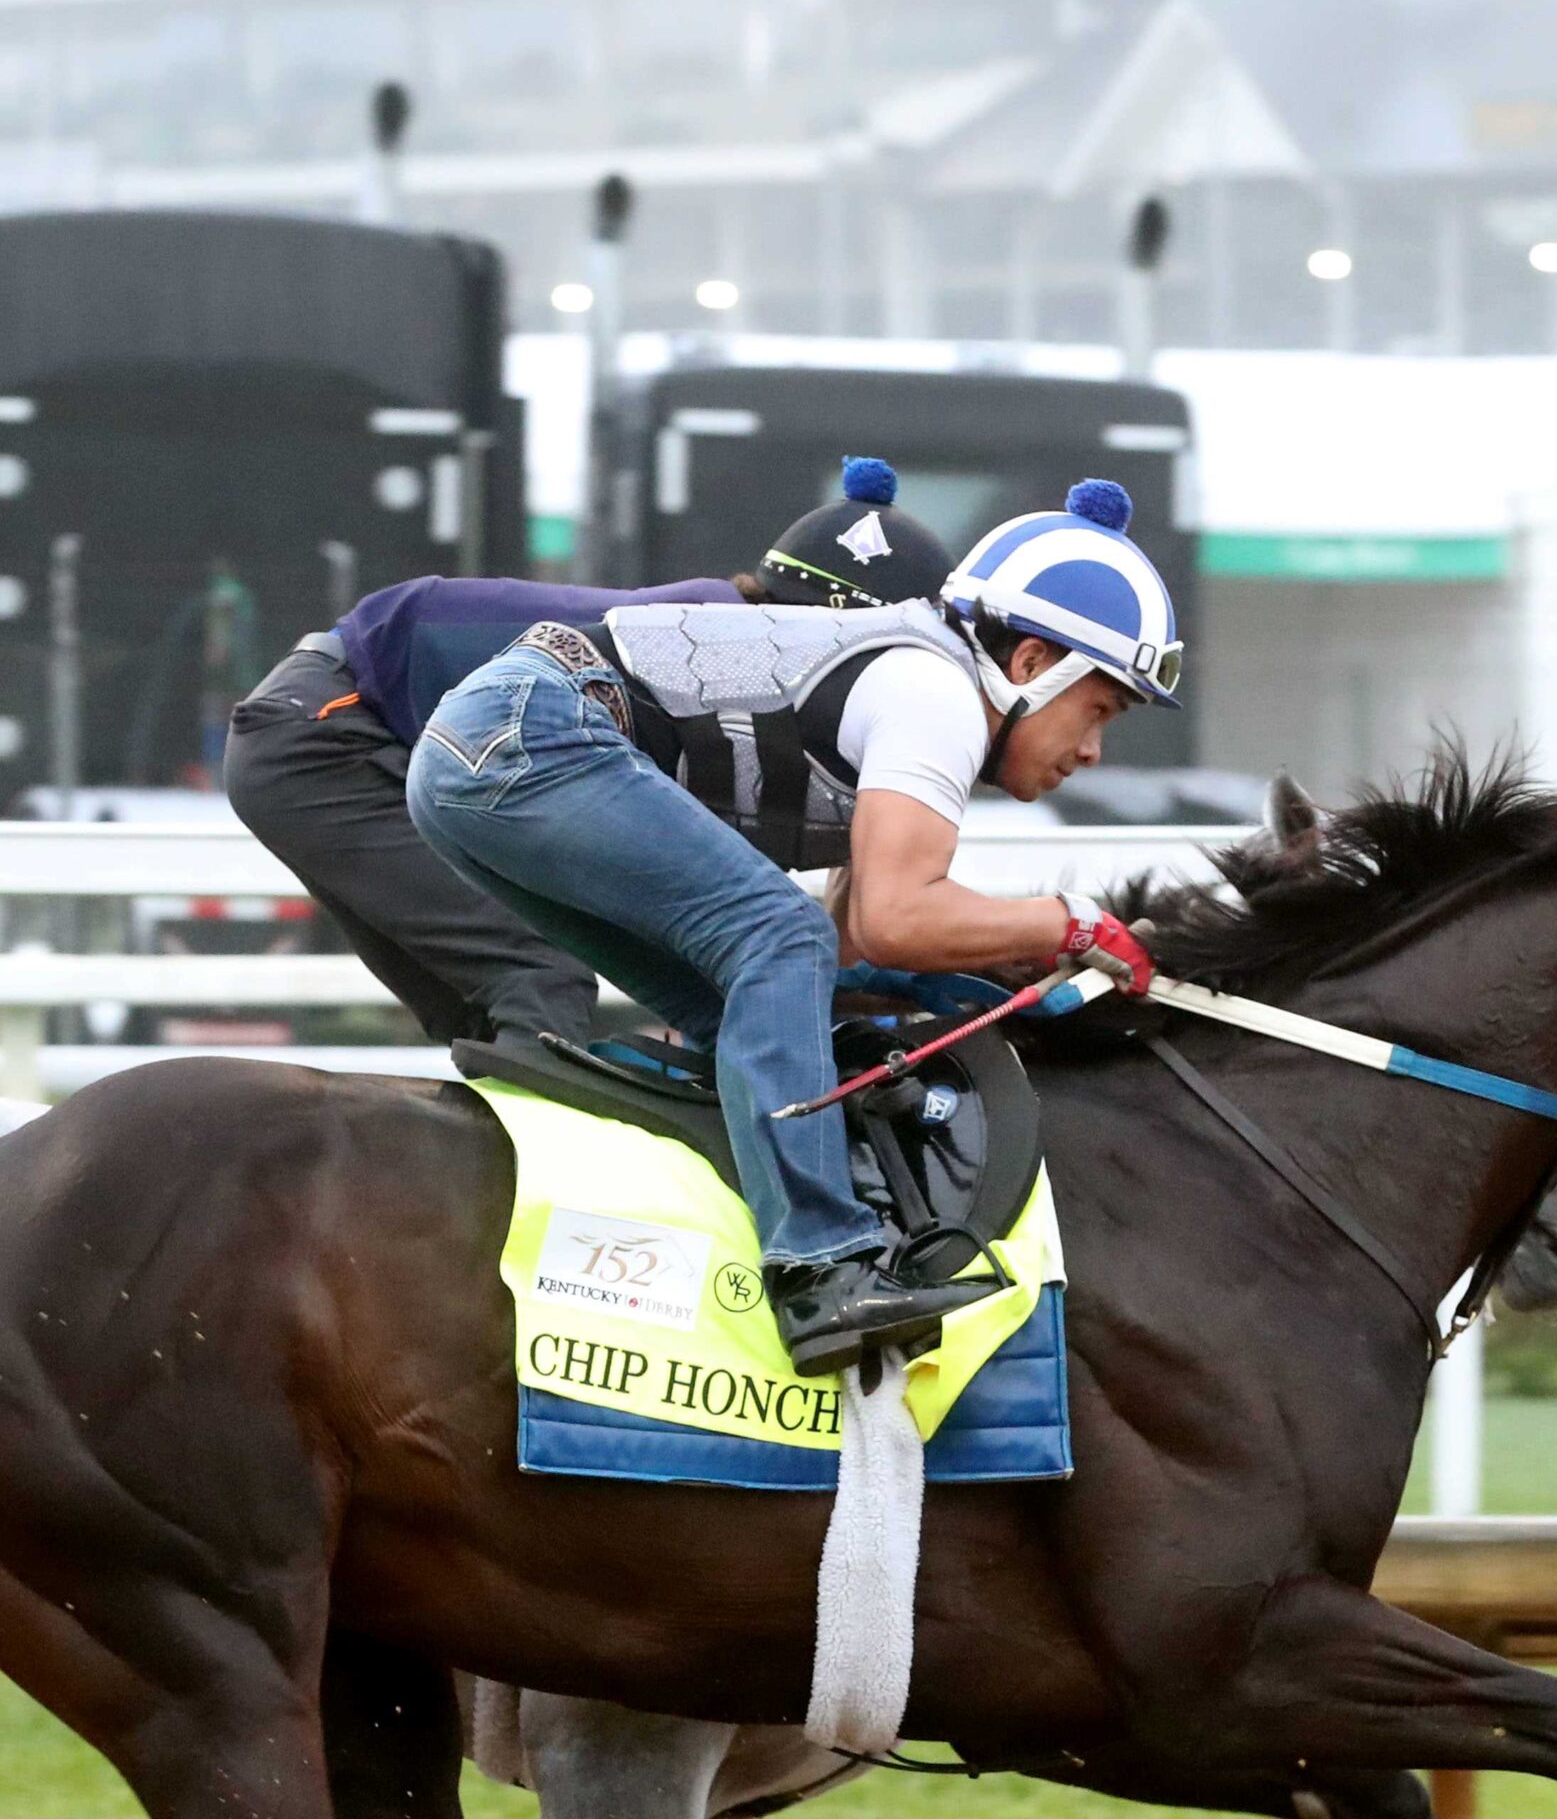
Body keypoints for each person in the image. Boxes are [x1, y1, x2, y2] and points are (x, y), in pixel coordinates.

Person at [405, 479, 1176, 1372]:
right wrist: (1072, 925)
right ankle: (820, 1267)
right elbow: (894, 919)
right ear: (1035, 664)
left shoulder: (922, 684)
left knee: (782, 996)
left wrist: (1002, 977)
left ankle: (729, 1236)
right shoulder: (936, 695)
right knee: (778, 942)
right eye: (1101, 713)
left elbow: (857, 947)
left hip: (482, 752)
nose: (1091, 752)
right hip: (529, 737)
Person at [223, 459, 953, 1055]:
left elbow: (825, 931)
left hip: (323, 726)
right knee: (539, 973)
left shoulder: (746, 653)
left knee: (496, 1010)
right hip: (330, 729)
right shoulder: (727, 646)